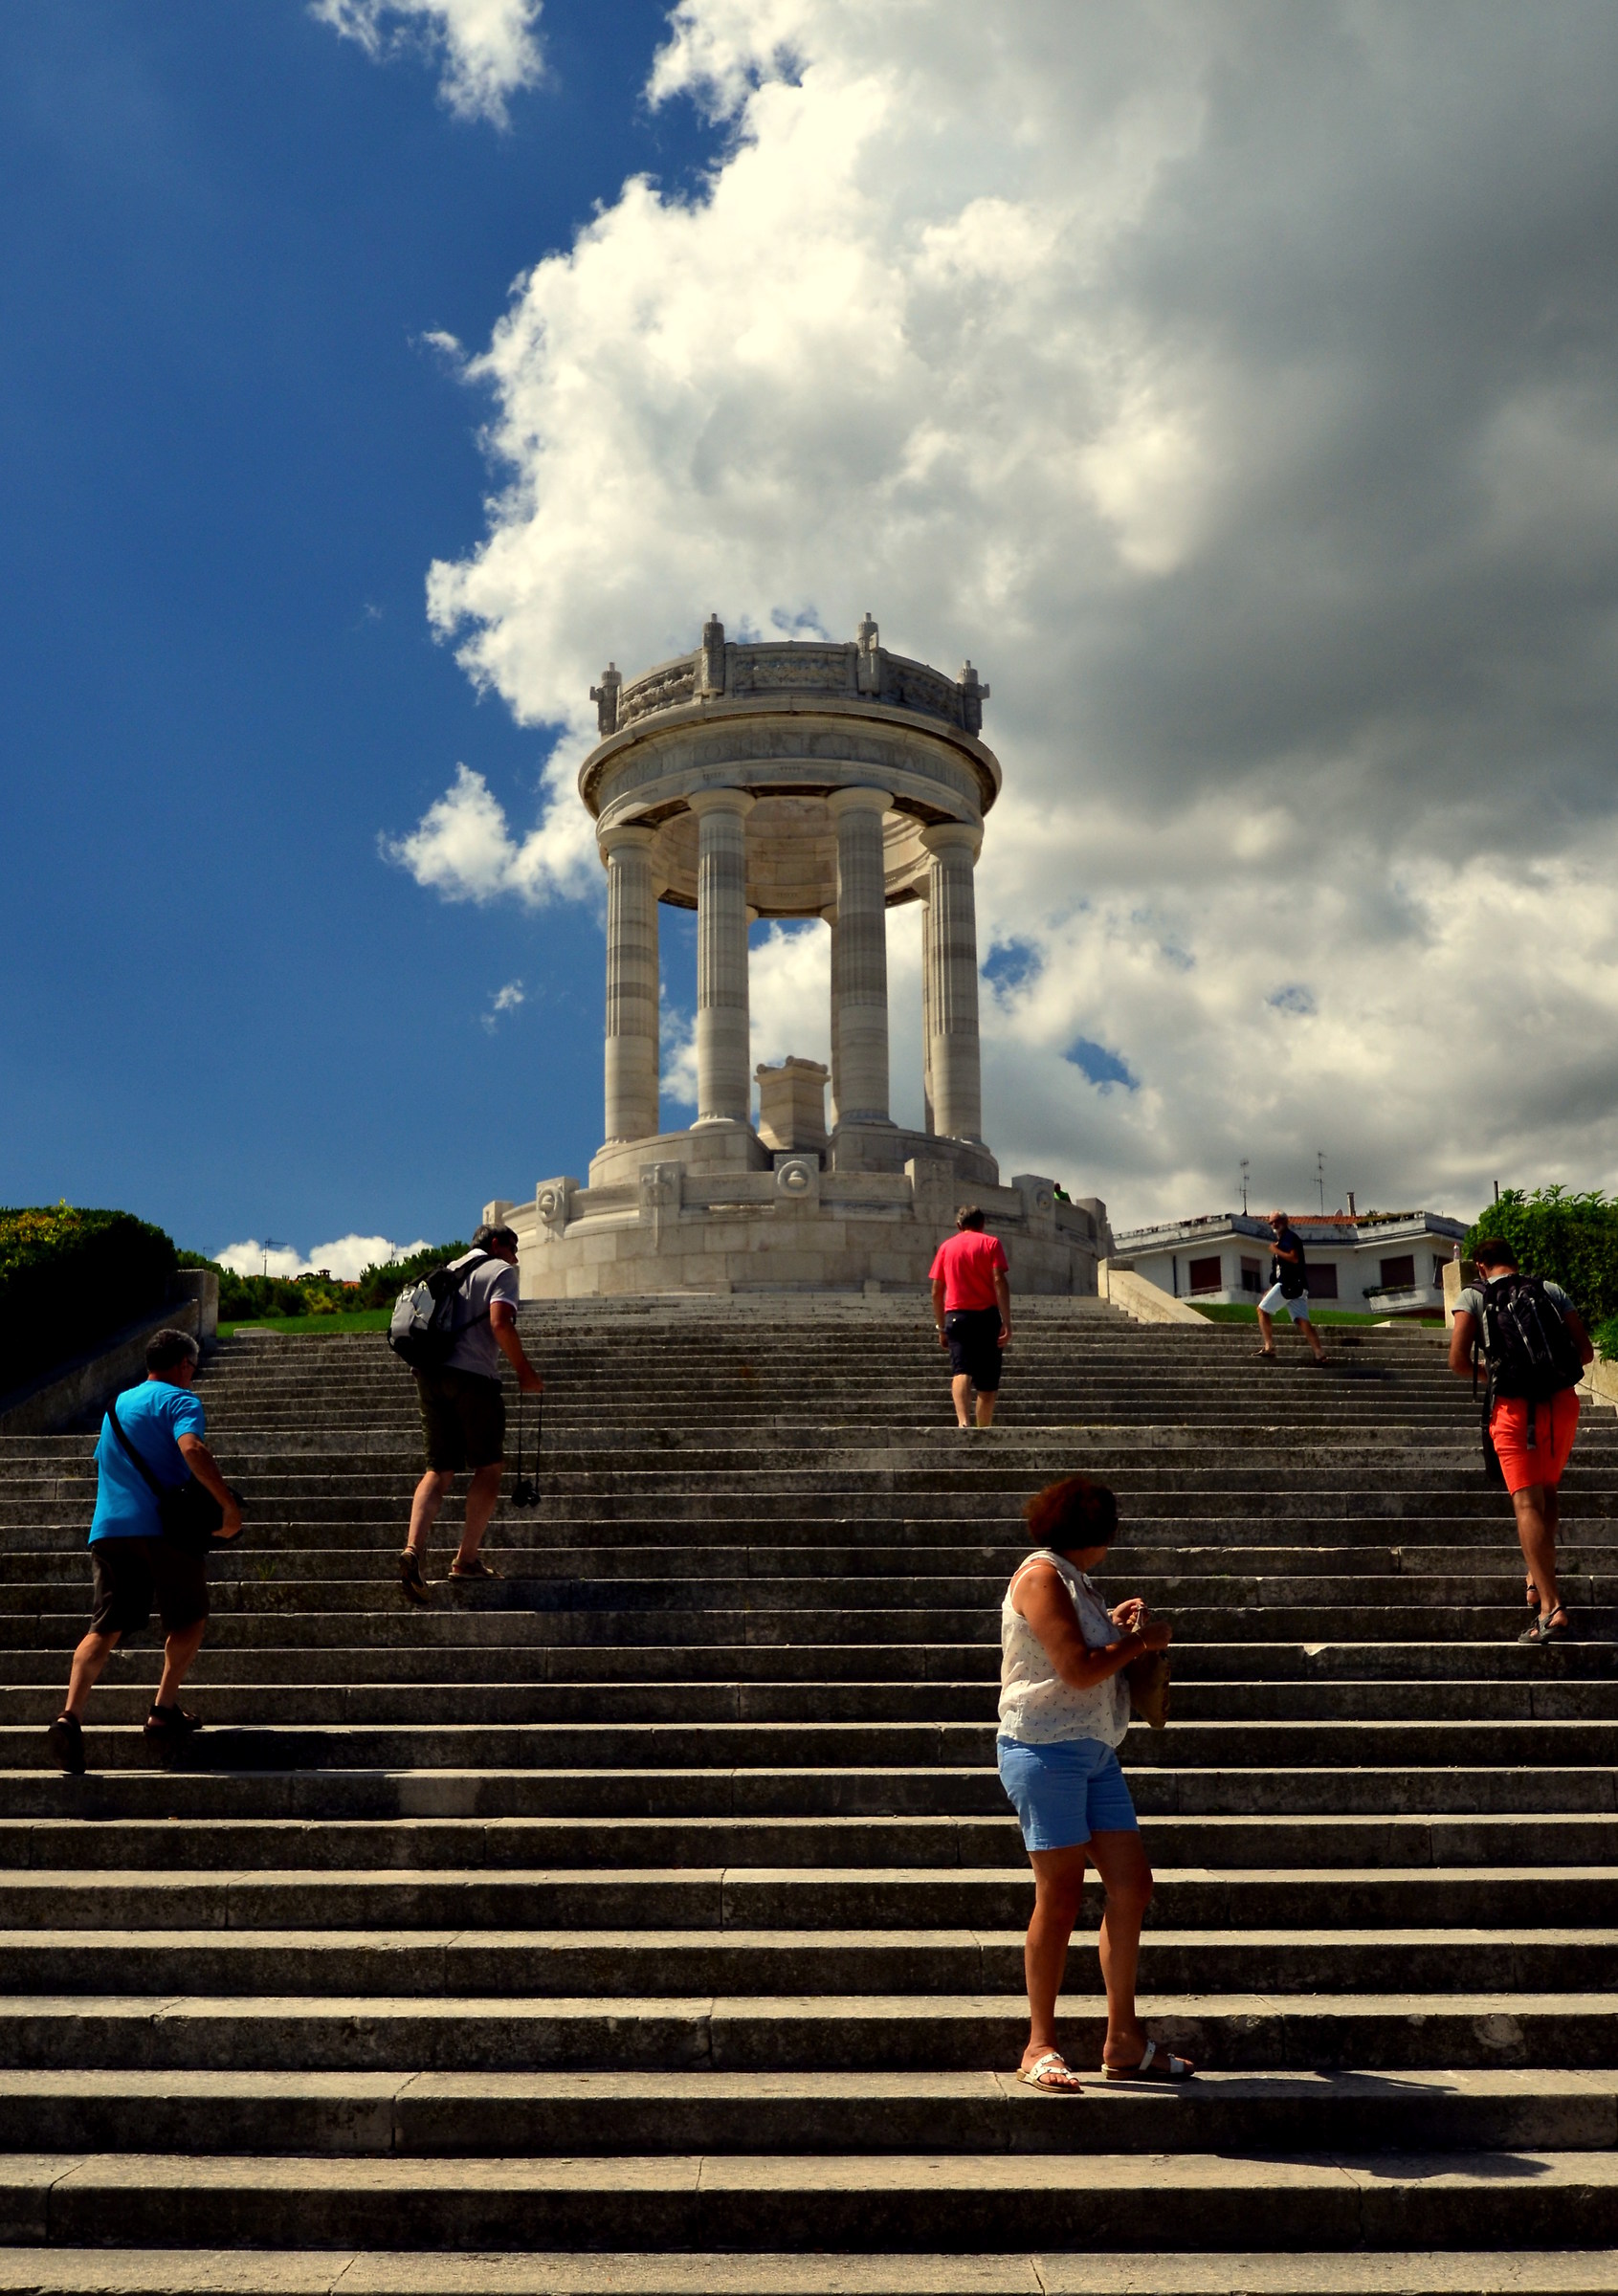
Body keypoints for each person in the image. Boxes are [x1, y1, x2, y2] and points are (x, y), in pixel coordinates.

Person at [996, 1473, 1194, 2092]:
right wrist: (1138, 1642)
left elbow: (1078, 1646)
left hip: (1094, 1751)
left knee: (1131, 1885)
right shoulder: (1040, 1577)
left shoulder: (1073, 1581)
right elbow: (1077, 1670)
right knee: (1059, 1894)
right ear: (1097, 1530)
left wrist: (1111, 1622)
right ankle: (1039, 2045)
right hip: (1043, 1749)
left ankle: (1122, 2039)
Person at [46, 1327, 241, 1777]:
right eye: (191, 1367)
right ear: (184, 1365)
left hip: (110, 1529)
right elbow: (192, 1448)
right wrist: (227, 1508)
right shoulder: (180, 1401)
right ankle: (162, 1708)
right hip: (164, 1530)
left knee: (105, 1626)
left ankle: (69, 1716)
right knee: (189, 1619)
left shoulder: (115, 1406)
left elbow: (104, 1461)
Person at [1449, 1235, 1593, 1644]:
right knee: (1547, 1488)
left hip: (1515, 1410)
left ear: (1480, 1265)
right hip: (1562, 1403)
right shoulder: (1548, 1289)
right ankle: (1536, 1576)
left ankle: (1551, 1608)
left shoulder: (1473, 1295)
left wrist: (1495, 1376)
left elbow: (1458, 1362)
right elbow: (1584, 1353)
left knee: (1526, 1500)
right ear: (1515, 1260)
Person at [400, 1225, 543, 1603]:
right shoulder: (500, 1272)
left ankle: (413, 1549)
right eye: (512, 1249)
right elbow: (500, 1322)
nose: (515, 1258)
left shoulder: (448, 1269)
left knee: (438, 1469)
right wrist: (525, 1373)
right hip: (474, 1378)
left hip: (430, 1376)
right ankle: (466, 1561)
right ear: (496, 1245)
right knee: (489, 1467)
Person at [930, 1206, 1012, 1428]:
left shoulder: (946, 1247)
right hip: (987, 1317)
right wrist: (1007, 1320)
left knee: (961, 1370)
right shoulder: (991, 1243)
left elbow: (936, 1291)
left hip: (957, 1317)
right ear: (982, 1224)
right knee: (987, 1383)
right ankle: (982, 1428)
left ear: (959, 1225)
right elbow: (999, 1281)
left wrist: (940, 1327)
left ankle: (963, 1422)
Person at [1257, 1208, 1325, 1365]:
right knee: (1302, 1320)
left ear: (1285, 1222)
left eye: (1277, 1221)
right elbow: (1277, 1271)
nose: (1274, 1224)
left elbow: (1294, 1258)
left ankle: (1269, 1347)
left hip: (1289, 1284)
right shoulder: (1283, 1241)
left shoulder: (1288, 1238)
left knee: (1262, 1310)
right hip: (1297, 1286)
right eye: (1271, 1222)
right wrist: (1272, 1288)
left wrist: (1276, 1250)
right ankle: (1319, 1354)